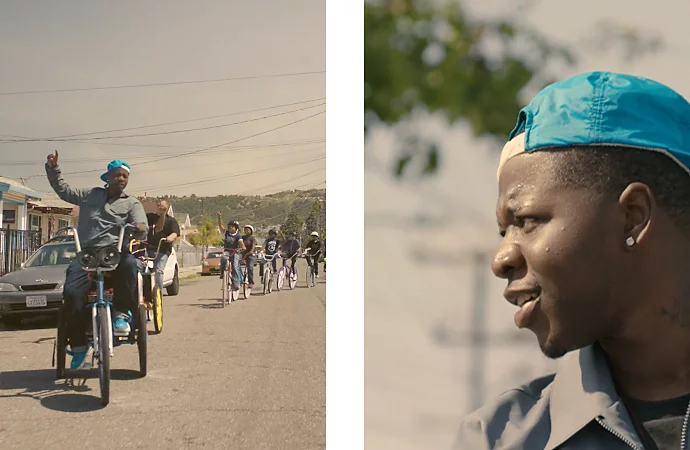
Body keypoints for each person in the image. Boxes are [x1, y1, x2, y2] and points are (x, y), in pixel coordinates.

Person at [455, 71, 690, 450]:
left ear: (633, 215)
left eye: (527, 220)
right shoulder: (498, 439)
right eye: (504, 231)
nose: (501, 259)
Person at [46, 152, 148, 370]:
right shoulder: (89, 195)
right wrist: (53, 169)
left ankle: (121, 315)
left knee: (131, 266)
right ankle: (79, 346)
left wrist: (139, 229)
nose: (122, 179)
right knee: (72, 293)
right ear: (107, 177)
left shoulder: (132, 203)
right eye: (118, 175)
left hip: (115, 254)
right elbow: (63, 190)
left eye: (125, 176)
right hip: (87, 255)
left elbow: (142, 227)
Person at [145, 199, 180, 290]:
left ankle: (158, 297)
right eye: (159, 205)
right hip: (147, 249)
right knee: (140, 268)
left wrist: (170, 238)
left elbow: (175, 233)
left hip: (162, 251)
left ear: (167, 208)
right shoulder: (149, 217)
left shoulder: (171, 221)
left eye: (163, 206)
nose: (160, 207)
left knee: (158, 271)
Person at [217, 211, 245, 289]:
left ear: (236, 228)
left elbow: (242, 244)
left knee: (235, 266)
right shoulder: (226, 233)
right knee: (223, 258)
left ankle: (235, 284)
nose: (230, 228)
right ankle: (222, 273)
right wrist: (219, 217)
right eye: (229, 226)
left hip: (235, 252)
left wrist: (242, 248)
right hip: (227, 251)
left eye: (232, 227)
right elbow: (220, 226)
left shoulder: (238, 236)